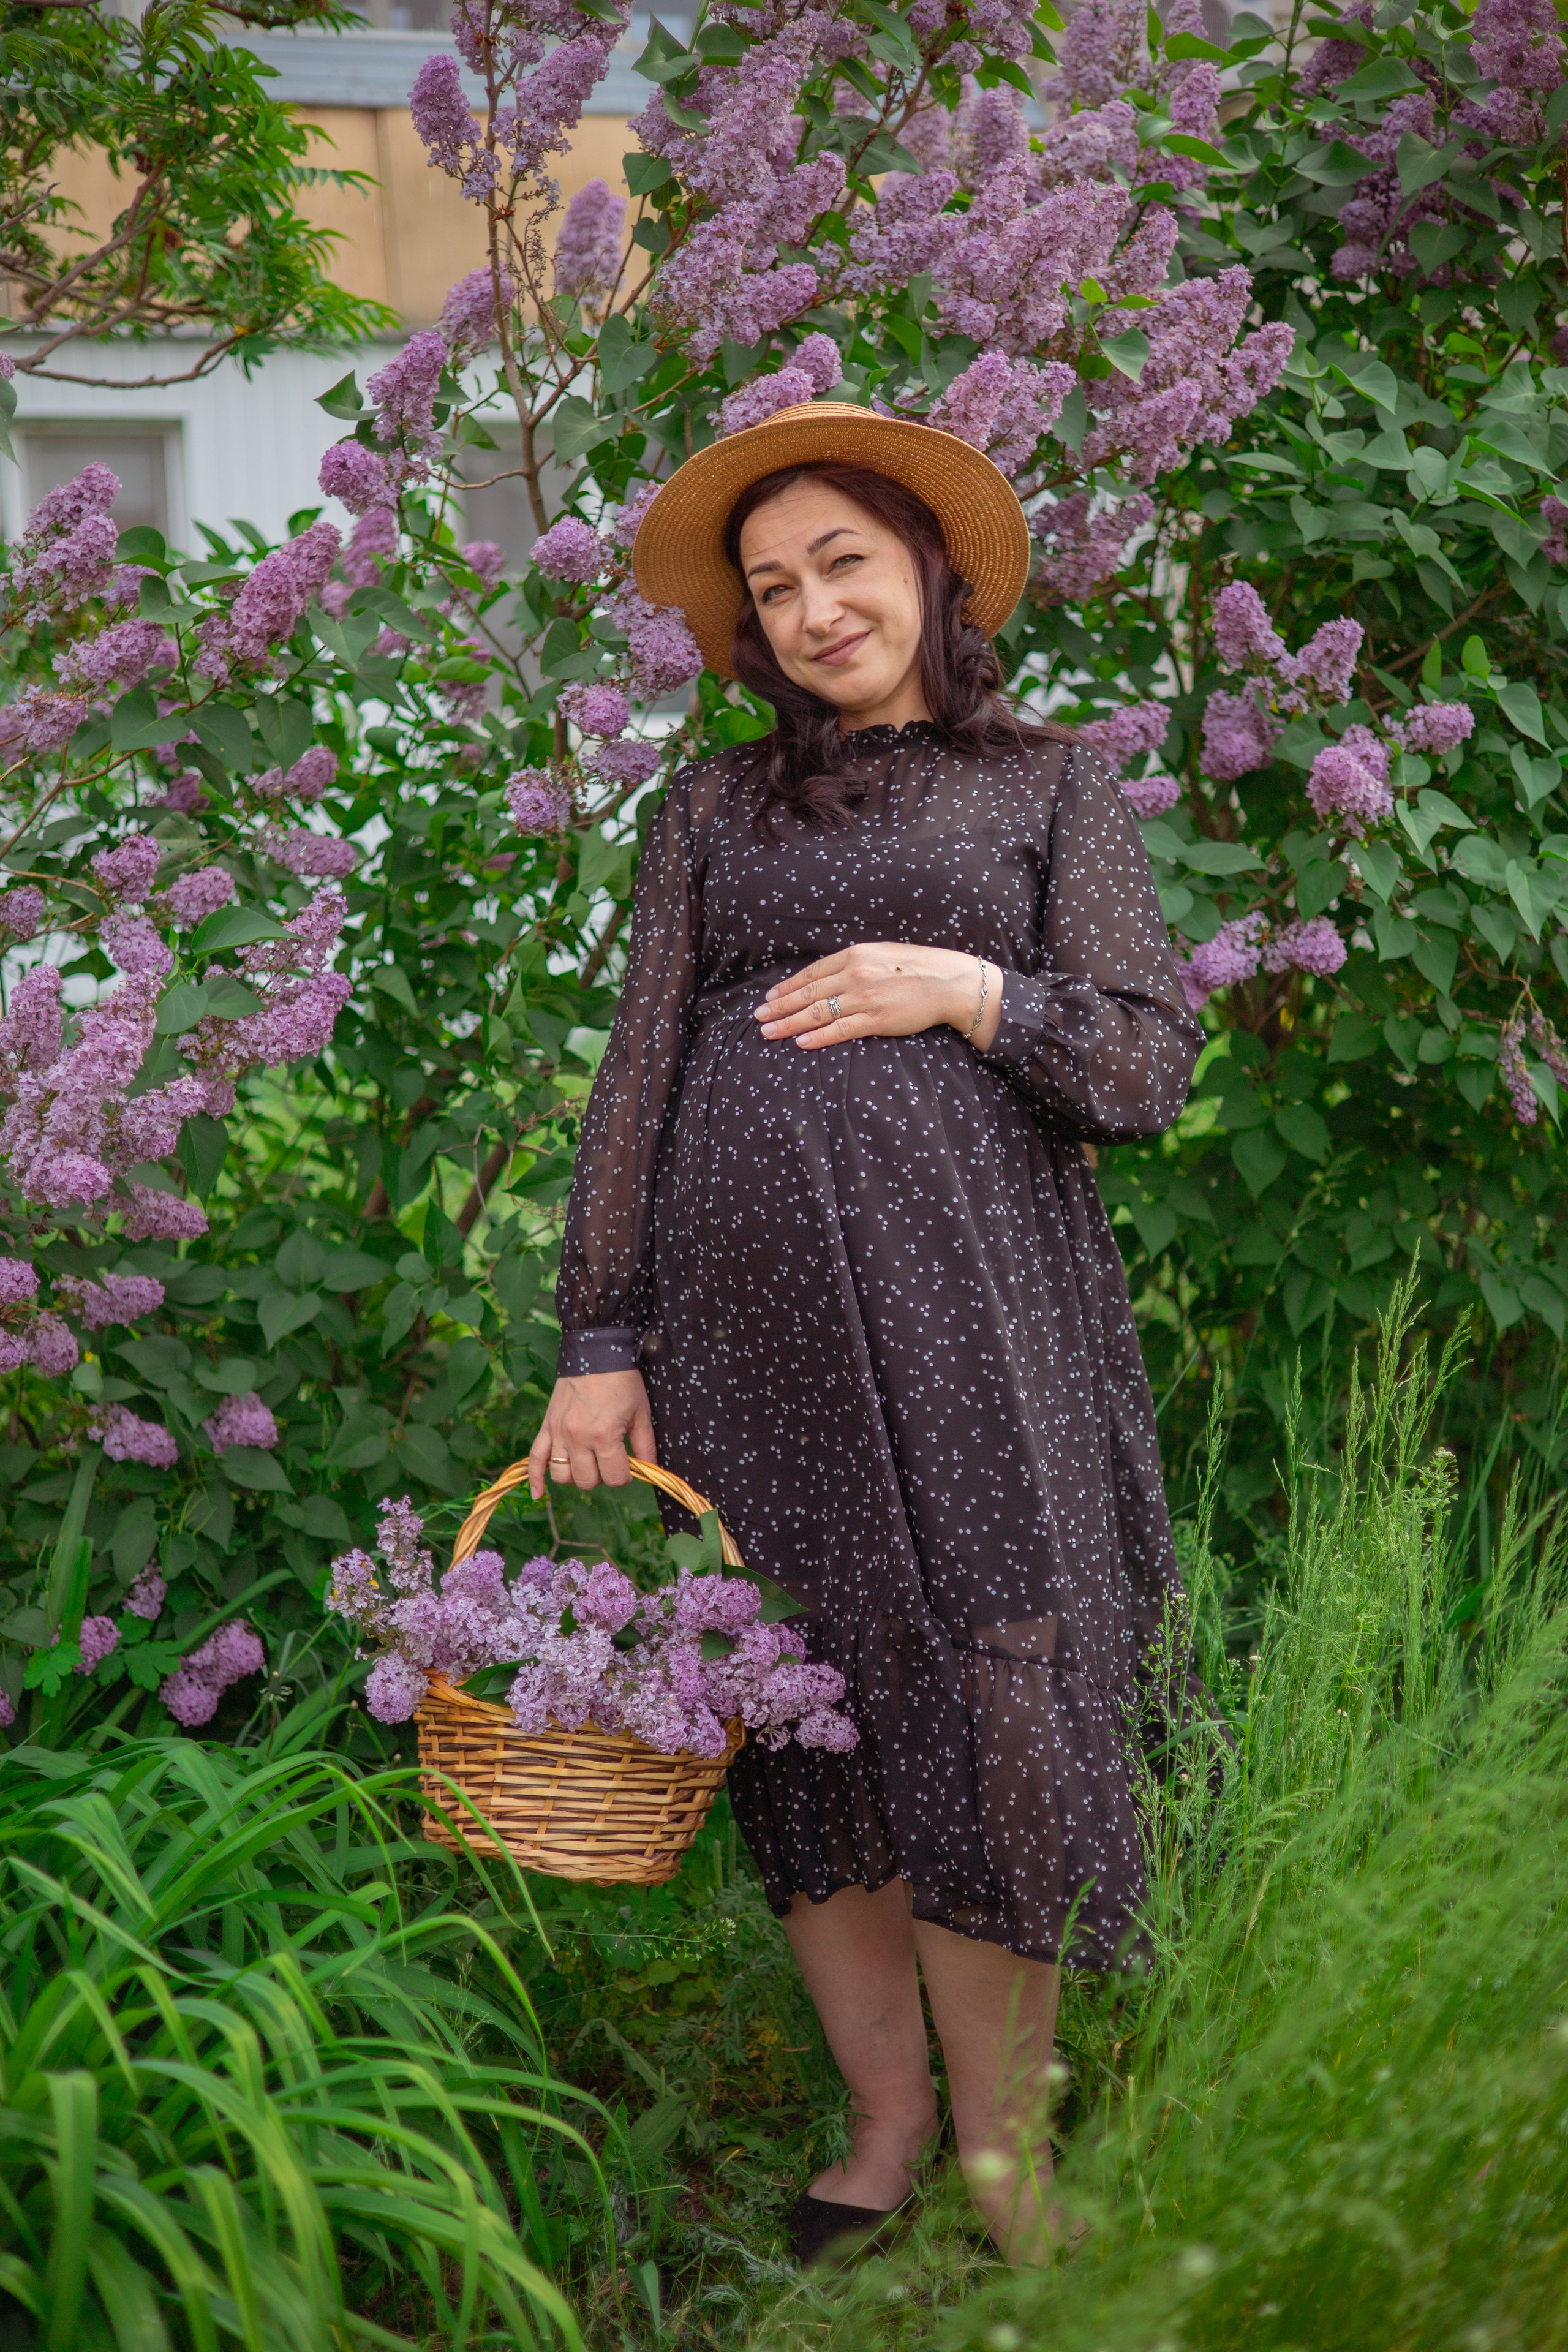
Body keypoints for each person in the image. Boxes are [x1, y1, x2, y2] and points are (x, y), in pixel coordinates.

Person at [527, 402, 1205, 2265]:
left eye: (844, 561)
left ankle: (1009, 2158)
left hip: (985, 1329)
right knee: (807, 1720)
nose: (816, 607)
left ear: (925, 569)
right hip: (755, 1348)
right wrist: (603, 1335)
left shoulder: (1048, 788)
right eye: (774, 586)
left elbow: (1150, 1058)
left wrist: (967, 988)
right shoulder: (714, 808)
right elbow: (637, 1076)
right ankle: (886, 2125)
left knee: (990, 1714)